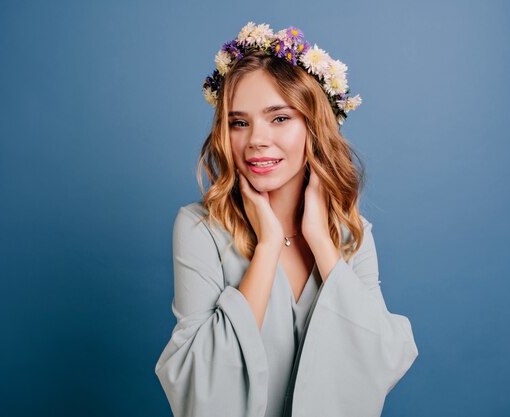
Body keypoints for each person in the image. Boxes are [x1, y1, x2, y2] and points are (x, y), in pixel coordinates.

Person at [155, 22, 419, 417]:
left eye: (279, 118)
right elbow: (200, 391)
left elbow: (379, 361)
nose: (257, 138)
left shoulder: (351, 233)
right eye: (239, 122)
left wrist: (319, 239)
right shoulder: (198, 229)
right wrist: (266, 247)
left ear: (314, 127)